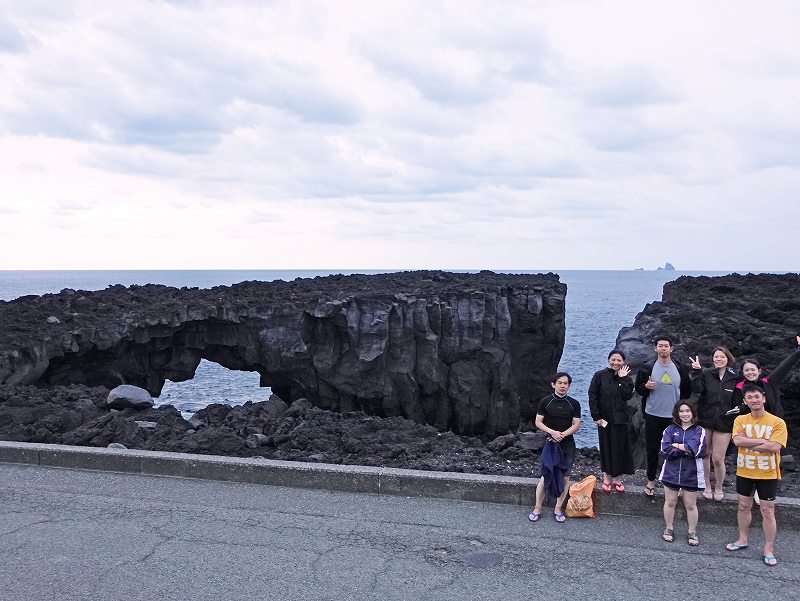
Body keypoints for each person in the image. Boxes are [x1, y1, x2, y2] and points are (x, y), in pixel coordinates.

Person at [725, 384, 788, 567]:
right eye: (750, 397)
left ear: (764, 398)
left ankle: (769, 549)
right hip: (745, 470)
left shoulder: (777, 422)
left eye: (757, 396)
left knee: (767, 510)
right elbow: (737, 441)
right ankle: (742, 539)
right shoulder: (740, 420)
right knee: (744, 506)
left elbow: (775, 447)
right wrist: (763, 441)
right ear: (745, 401)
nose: (754, 400)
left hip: (767, 472)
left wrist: (748, 442)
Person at [635, 335, 692, 497]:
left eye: (666, 346)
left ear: (671, 349)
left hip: (673, 417)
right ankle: (651, 481)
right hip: (652, 415)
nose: (663, 348)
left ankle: (675, 482)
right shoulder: (647, 368)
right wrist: (645, 386)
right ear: (655, 348)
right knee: (652, 450)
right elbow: (639, 389)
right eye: (660, 346)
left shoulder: (680, 368)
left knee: (675, 450)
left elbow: (687, 391)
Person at [528, 372, 582, 524]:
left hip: (567, 444)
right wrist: (552, 432)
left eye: (565, 383)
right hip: (551, 444)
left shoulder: (574, 403)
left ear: (569, 386)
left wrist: (563, 434)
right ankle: (537, 507)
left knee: (565, 477)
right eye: (560, 383)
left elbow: (576, 424)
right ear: (553, 384)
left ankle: (558, 508)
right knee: (546, 476)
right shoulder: (546, 402)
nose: (563, 386)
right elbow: (538, 422)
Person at [689, 346, 738, 501]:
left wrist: (740, 409)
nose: (719, 359)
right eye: (716, 357)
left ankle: (718, 487)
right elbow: (696, 389)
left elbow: (740, 397)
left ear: (728, 358)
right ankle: (707, 486)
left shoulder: (735, 377)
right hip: (705, 419)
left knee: (718, 458)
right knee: (705, 454)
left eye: (722, 357)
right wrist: (696, 371)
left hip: (724, 422)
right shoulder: (706, 374)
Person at [659, 401, 706, 546]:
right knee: (670, 501)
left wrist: (677, 445)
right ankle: (669, 528)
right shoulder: (669, 429)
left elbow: (697, 450)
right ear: (677, 413)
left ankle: (692, 531)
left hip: (691, 472)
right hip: (671, 471)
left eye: (687, 411)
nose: (685, 414)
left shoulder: (699, 430)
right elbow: (664, 449)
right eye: (681, 411)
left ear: (693, 412)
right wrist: (685, 449)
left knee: (690, 504)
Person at [589, 349, 634, 493]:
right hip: (604, 419)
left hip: (621, 419)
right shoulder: (599, 376)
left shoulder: (626, 377)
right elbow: (593, 396)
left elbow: (627, 396)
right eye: (613, 360)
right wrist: (596, 416)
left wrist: (622, 379)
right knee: (606, 448)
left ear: (623, 362)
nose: (616, 362)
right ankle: (606, 478)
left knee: (620, 449)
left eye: (619, 360)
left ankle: (617, 479)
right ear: (609, 360)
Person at [730, 335, 800, 418]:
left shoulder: (770, 382)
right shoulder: (739, 387)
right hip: (752, 423)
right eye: (747, 370)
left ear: (759, 371)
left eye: (753, 369)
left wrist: (798, 351)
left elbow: (785, 366)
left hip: (774, 421)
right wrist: (740, 408)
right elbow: (739, 405)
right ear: (742, 373)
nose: (750, 372)